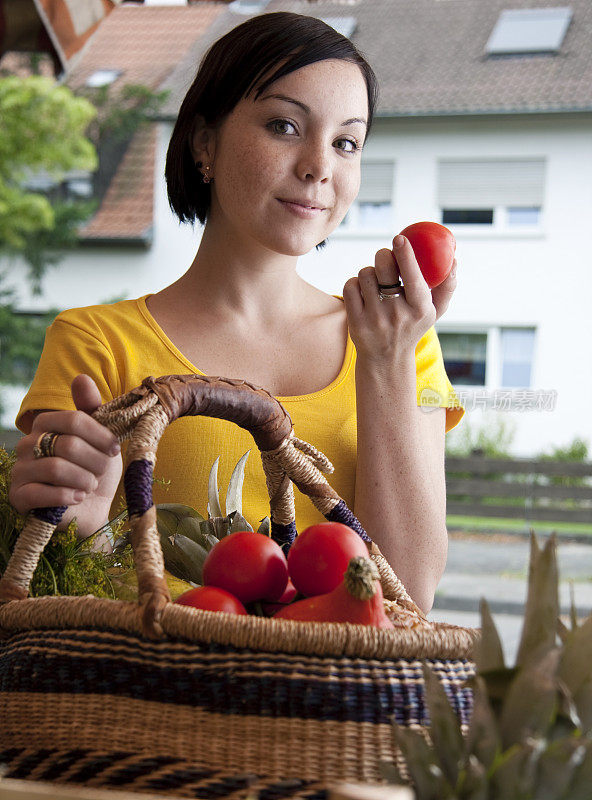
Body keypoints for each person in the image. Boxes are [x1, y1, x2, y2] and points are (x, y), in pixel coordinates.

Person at [9, 12, 463, 613]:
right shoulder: (96, 342)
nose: (319, 165)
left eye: (346, 142)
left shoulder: (404, 342)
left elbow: (408, 592)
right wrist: (77, 523)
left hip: (337, 701)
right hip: (155, 695)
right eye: (283, 125)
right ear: (205, 143)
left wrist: (385, 362)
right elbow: (54, 577)